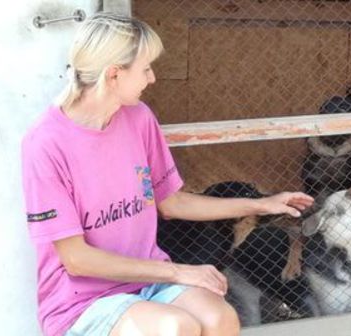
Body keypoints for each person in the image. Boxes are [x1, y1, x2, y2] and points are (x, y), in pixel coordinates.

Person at [21, 12, 314, 336]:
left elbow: (171, 202)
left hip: (148, 283)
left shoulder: (138, 118)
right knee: (175, 327)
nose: (152, 78)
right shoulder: (46, 144)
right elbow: (76, 260)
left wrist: (261, 205)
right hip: (82, 302)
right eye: (145, 68)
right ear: (114, 75)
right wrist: (178, 272)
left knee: (220, 318)